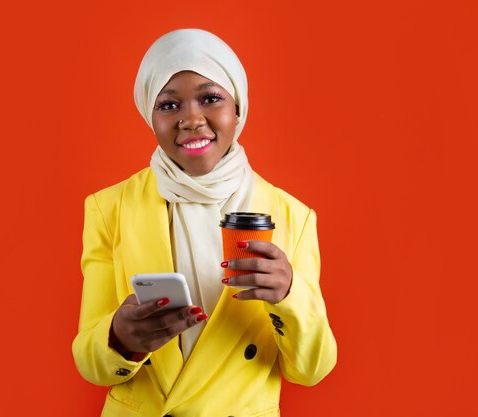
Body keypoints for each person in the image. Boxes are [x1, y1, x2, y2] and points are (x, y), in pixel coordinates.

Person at [72, 28, 337, 417]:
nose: (192, 119)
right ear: (150, 114)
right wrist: (119, 339)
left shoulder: (292, 216)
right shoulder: (109, 208)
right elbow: (89, 364)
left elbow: (311, 370)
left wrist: (290, 295)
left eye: (210, 98)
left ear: (239, 107)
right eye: (168, 105)